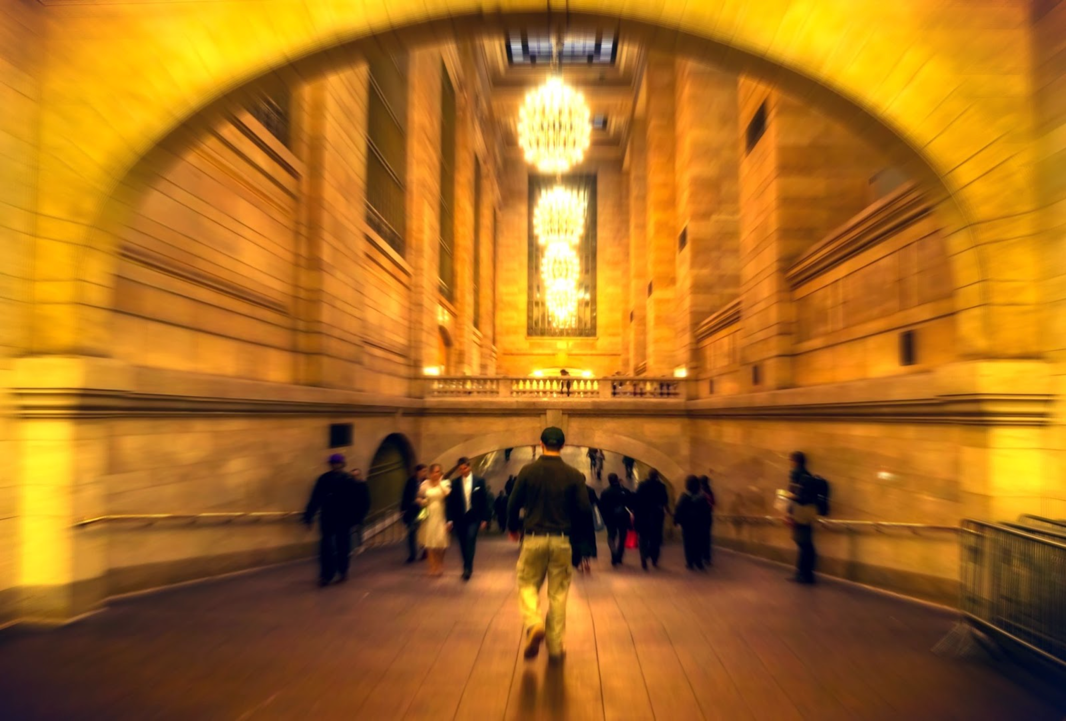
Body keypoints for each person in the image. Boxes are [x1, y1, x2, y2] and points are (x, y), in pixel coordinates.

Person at [508, 426, 591, 663]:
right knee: (558, 594)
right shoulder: (574, 475)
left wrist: (513, 527)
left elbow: (513, 504)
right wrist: (580, 541)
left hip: (533, 538)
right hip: (562, 540)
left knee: (526, 584)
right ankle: (555, 648)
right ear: (563, 446)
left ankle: (534, 623)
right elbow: (584, 511)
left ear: (541, 443)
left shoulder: (528, 471)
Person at [303, 454, 359, 587]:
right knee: (336, 545)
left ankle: (332, 573)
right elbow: (316, 498)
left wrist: (309, 515)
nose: (335, 466)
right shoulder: (347, 480)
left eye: (336, 463)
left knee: (335, 545)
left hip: (334, 516)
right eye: (334, 463)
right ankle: (333, 573)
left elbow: (316, 498)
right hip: (336, 517)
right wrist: (309, 515)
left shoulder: (328, 479)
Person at [445, 456, 490, 581]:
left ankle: (468, 568)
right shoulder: (455, 483)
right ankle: (466, 563)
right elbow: (451, 503)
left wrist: (485, 519)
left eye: (464, 468)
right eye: (460, 469)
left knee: (470, 539)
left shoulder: (479, 481)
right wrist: (449, 520)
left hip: (474, 517)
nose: (463, 471)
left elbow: (484, 500)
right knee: (463, 543)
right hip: (460, 518)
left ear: (469, 467)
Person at [788, 451, 819, 584]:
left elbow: (793, 494)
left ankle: (804, 575)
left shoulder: (796, 474)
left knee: (803, 544)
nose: (791, 463)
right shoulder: (808, 475)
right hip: (808, 513)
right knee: (806, 545)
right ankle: (804, 573)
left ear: (795, 461)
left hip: (800, 513)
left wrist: (789, 513)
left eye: (792, 460)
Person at [417, 464, 451, 576]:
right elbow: (419, 497)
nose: (436, 474)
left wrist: (439, 482)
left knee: (441, 544)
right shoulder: (425, 484)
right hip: (429, 515)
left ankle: (440, 563)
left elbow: (447, 494)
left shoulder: (445, 483)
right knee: (430, 544)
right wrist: (421, 501)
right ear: (430, 473)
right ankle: (432, 567)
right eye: (434, 472)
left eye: (438, 472)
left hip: (441, 515)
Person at [674, 475, 712, 570]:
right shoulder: (702, 497)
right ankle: (698, 561)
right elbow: (706, 511)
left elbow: (679, 509)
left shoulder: (684, 496)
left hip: (687, 524)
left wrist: (676, 521)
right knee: (698, 542)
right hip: (699, 524)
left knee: (688, 543)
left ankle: (690, 562)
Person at [634, 469, 669, 570]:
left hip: (643, 514)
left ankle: (643, 557)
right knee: (656, 537)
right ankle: (654, 558)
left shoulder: (642, 485)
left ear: (648, 475)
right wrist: (668, 512)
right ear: (657, 476)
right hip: (657, 515)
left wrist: (635, 513)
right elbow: (664, 501)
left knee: (643, 537)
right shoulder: (661, 487)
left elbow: (637, 499)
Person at [599, 473, 633, 566]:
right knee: (622, 536)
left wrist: (604, 518)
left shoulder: (605, 492)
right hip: (623, 517)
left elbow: (602, 506)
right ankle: (619, 556)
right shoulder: (624, 491)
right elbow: (631, 503)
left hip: (610, 518)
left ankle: (613, 552)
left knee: (611, 536)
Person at [401, 464, 428, 563]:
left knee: (423, 530)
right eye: (423, 471)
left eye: (426, 471)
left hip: (423, 510)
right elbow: (405, 495)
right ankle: (412, 554)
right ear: (418, 472)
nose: (425, 473)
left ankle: (425, 551)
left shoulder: (426, 482)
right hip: (412, 510)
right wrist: (403, 509)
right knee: (412, 532)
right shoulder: (411, 481)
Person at [570, 479, 598, 572]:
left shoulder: (572, 491)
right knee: (587, 538)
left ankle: (578, 562)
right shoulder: (590, 490)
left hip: (575, 518)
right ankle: (587, 560)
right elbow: (595, 503)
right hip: (587, 518)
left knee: (576, 540)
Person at [351, 468, 371, 552]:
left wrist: (365, 511)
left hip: (360, 511)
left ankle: (360, 544)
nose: (355, 477)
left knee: (359, 528)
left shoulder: (363, 485)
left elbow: (366, 499)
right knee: (351, 529)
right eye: (353, 475)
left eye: (356, 475)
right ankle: (352, 546)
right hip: (351, 510)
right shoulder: (350, 485)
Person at [699, 475, 716, 567]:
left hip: (700, 518)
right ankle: (707, 557)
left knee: (700, 538)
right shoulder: (710, 492)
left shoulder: (700, 492)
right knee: (707, 538)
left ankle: (700, 556)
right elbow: (713, 504)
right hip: (708, 517)